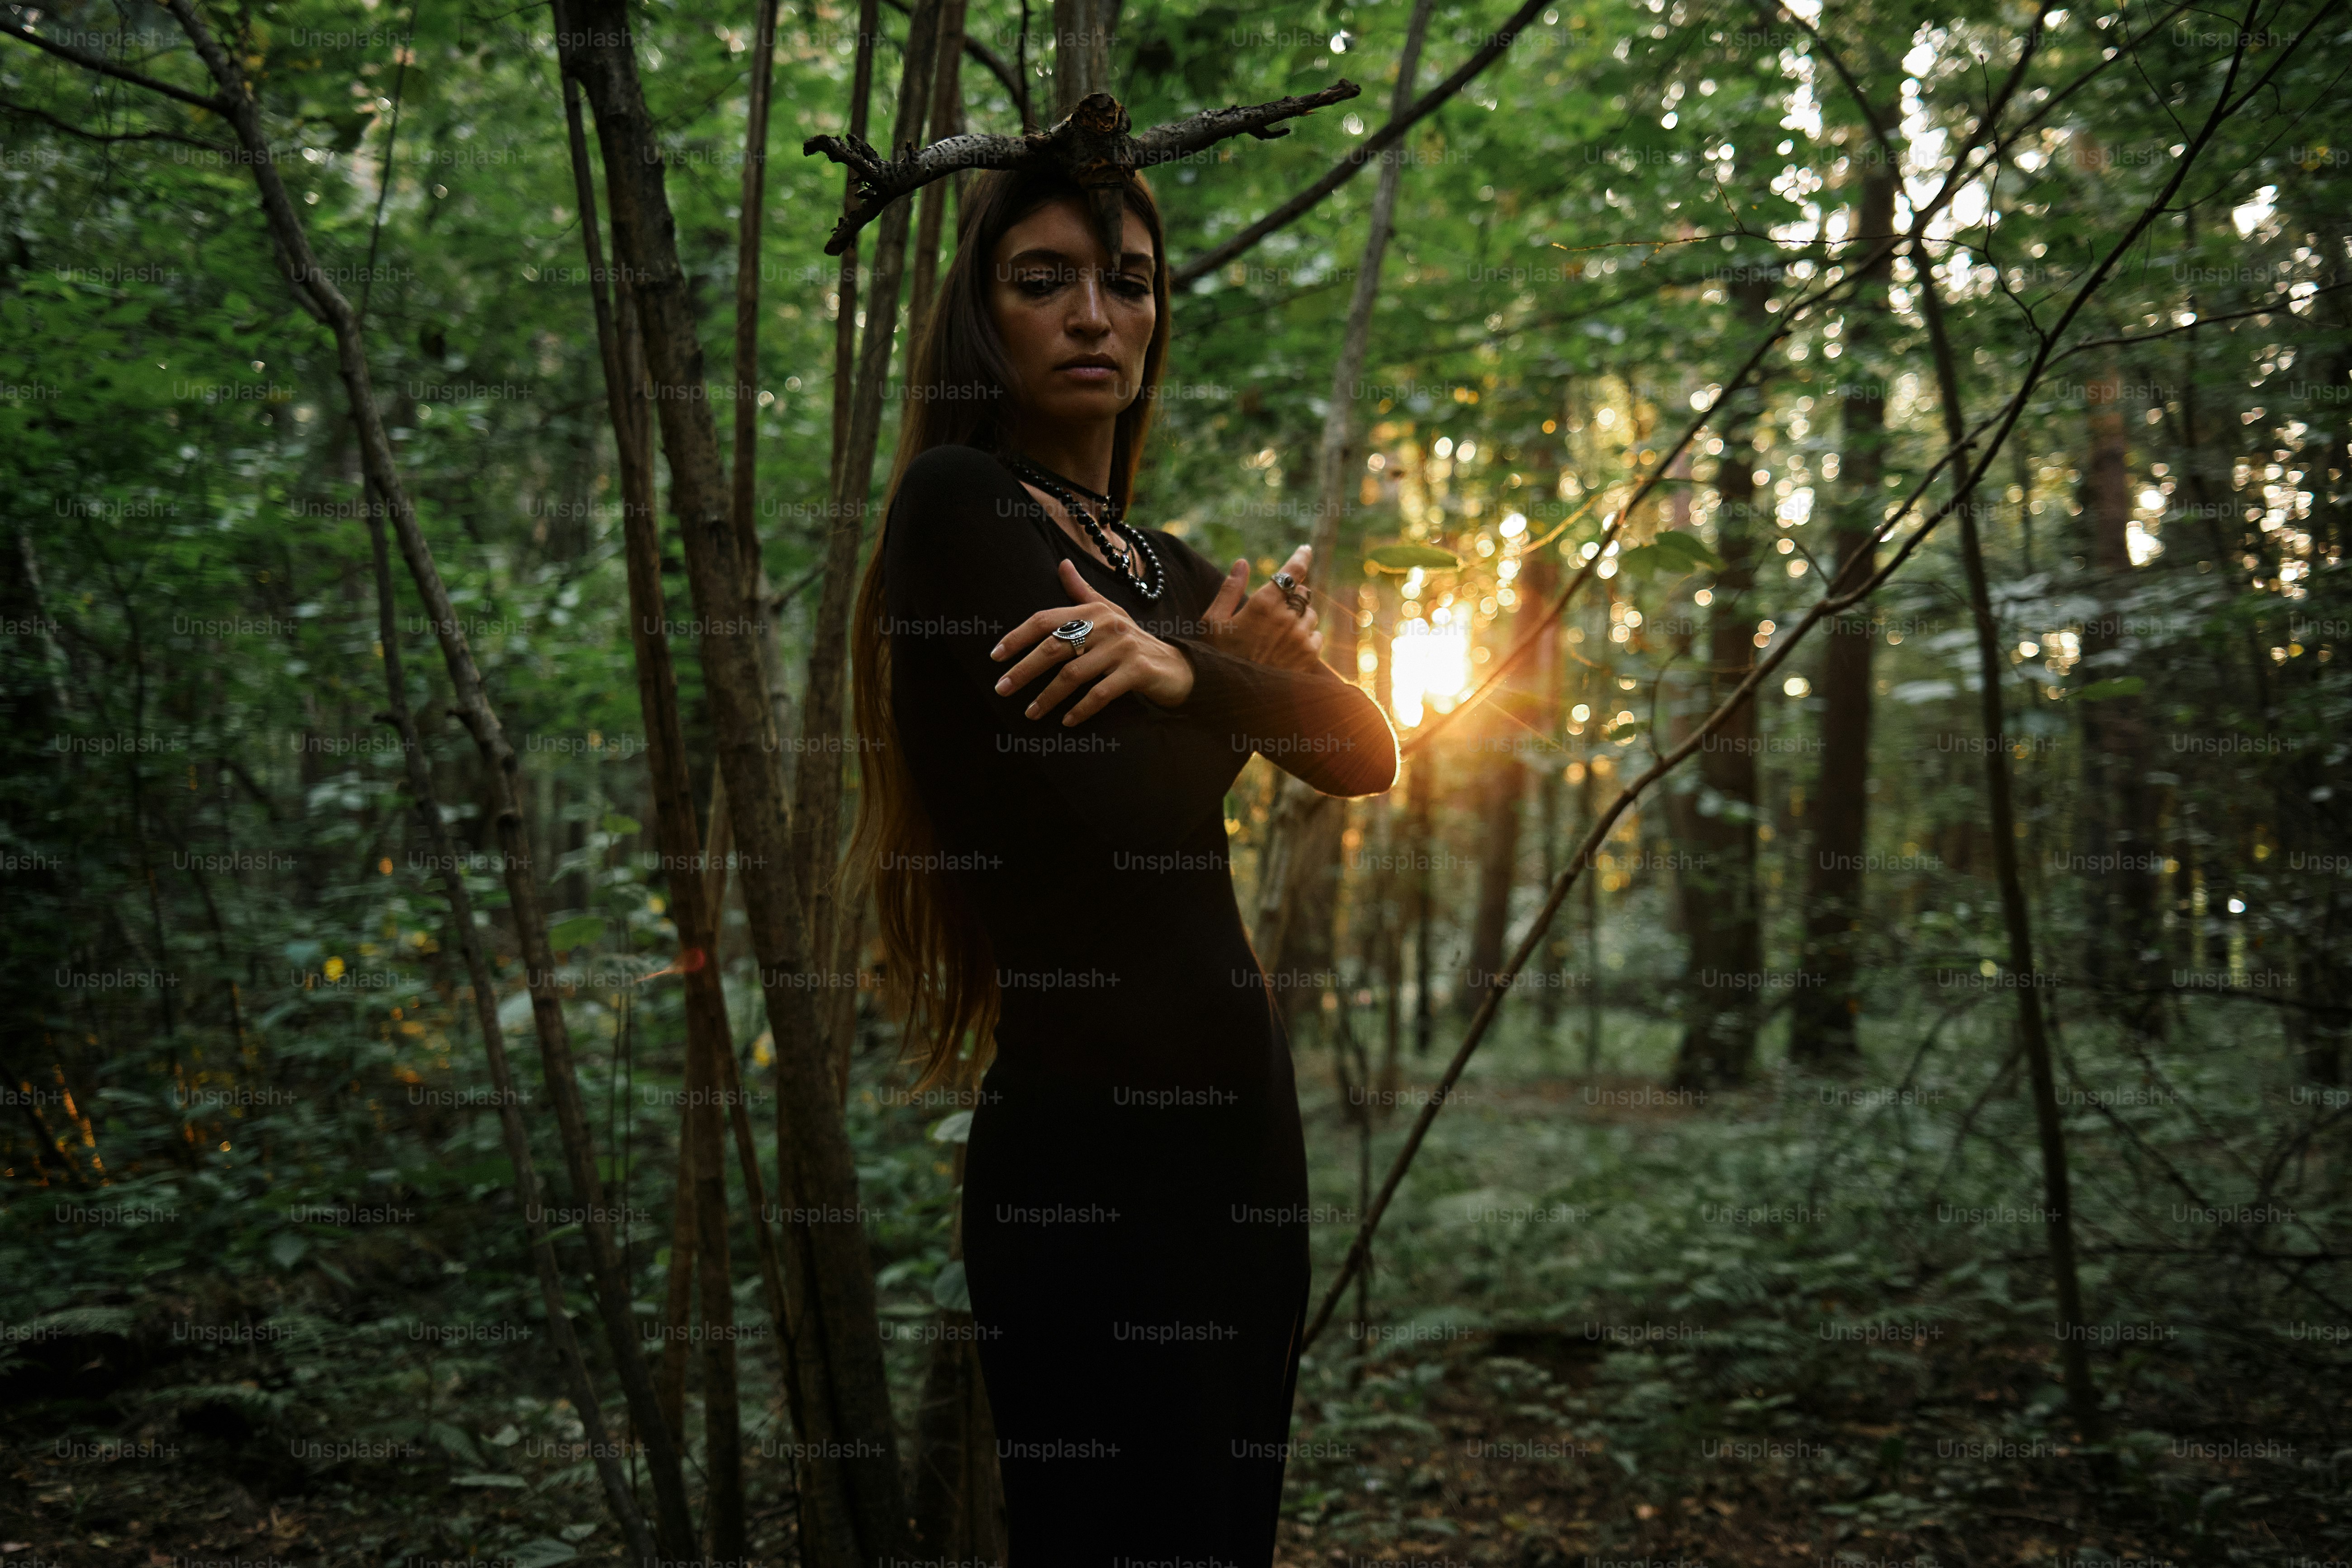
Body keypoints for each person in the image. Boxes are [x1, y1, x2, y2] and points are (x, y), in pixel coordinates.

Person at [849, 162, 1399, 1562]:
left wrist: (1189, 670)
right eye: (1045, 282)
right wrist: (1218, 686)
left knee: (1226, 1535)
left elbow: (1364, 745)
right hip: (1082, 1159)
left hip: (1244, 1139)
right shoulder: (957, 508)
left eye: (1129, 283)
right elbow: (1113, 806)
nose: (1095, 314)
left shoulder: (1161, 566)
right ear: (984, 316)